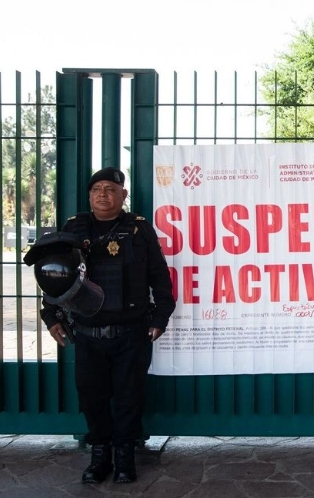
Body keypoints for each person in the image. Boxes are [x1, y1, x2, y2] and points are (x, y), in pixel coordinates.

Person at [37, 167, 176, 484]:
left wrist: (161, 317)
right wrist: (51, 316)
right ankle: (99, 456)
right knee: (92, 399)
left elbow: (159, 276)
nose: (103, 194)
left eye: (111, 189)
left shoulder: (139, 230)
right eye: (97, 189)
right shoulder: (74, 228)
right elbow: (54, 274)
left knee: (130, 399)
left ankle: (125, 457)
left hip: (131, 333)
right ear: (89, 195)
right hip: (88, 333)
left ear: (123, 195)